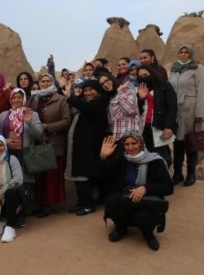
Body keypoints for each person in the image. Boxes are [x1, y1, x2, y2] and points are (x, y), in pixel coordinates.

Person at [99, 133, 173, 251]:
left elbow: (168, 187)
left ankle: (148, 234)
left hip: (145, 201)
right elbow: (103, 177)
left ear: (141, 144)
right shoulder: (122, 159)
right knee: (112, 200)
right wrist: (103, 157)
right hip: (125, 199)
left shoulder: (154, 161)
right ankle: (121, 228)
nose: (130, 147)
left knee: (144, 217)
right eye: (127, 144)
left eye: (134, 143)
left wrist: (145, 188)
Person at [64, 79, 109, 215]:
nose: (88, 93)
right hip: (80, 145)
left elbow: (87, 108)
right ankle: (81, 202)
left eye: (91, 90)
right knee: (78, 175)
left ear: (97, 91)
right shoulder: (86, 103)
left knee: (84, 176)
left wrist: (70, 97)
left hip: (89, 146)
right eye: (86, 91)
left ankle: (89, 204)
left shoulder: (99, 103)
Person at [0, 88, 44, 217]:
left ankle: (23, 211)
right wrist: (4, 140)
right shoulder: (3, 115)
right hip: (7, 154)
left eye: (19, 97)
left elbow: (39, 135)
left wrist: (29, 122)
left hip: (25, 154)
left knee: (25, 183)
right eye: (14, 98)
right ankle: (10, 210)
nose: (16, 100)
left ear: (23, 99)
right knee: (8, 182)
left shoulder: (32, 114)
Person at [30, 74, 71, 217]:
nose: (45, 83)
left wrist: (48, 127)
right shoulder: (34, 99)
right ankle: (39, 203)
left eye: (48, 81)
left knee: (51, 176)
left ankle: (48, 205)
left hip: (53, 143)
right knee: (39, 175)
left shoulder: (60, 99)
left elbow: (66, 121)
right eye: (43, 81)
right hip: (38, 142)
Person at [169, 44, 204, 186]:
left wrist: (200, 113)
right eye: (181, 52)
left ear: (190, 54)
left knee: (191, 142)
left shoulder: (198, 68)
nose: (183, 54)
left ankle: (191, 173)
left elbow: (202, 91)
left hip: (191, 110)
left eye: (186, 52)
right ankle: (178, 173)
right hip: (176, 111)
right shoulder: (174, 69)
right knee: (177, 143)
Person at [136, 64, 178, 166]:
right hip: (144, 128)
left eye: (145, 75)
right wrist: (140, 98)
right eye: (140, 76)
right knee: (148, 153)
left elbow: (172, 107)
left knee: (162, 154)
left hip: (159, 126)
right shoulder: (139, 89)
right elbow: (136, 110)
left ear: (152, 74)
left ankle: (164, 177)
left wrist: (168, 126)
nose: (143, 78)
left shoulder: (164, 86)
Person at [99, 73, 141, 141]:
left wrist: (120, 94)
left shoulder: (127, 91)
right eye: (102, 84)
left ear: (111, 79)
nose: (105, 84)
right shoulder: (109, 99)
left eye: (107, 81)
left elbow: (131, 111)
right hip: (118, 139)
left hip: (132, 138)